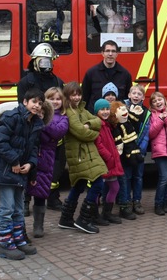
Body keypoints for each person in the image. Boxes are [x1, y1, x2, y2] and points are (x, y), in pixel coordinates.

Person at [0, 88, 44, 260]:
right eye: (34, 102)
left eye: (40, 103)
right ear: (25, 102)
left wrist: (30, 166)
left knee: (17, 208)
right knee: (6, 208)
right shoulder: (12, 117)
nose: (37, 106)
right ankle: (5, 244)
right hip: (5, 170)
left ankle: (18, 240)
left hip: (19, 172)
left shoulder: (35, 123)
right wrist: (15, 162)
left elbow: (33, 148)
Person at [17, 43, 66, 213]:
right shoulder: (25, 82)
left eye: (49, 61)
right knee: (30, 165)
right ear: (35, 61)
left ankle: (53, 198)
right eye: (43, 61)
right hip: (32, 130)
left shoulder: (58, 81)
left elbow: (62, 105)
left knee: (53, 167)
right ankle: (25, 201)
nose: (46, 64)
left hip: (52, 131)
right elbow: (22, 106)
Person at [59, 81, 108, 234]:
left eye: (78, 94)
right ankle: (84, 219)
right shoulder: (69, 112)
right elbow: (81, 132)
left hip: (85, 153)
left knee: (79, 185)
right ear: (67, 96)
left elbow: (98, 120)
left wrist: (88, 124)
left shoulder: (81, 110)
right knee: (98, 182)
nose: (77, 97)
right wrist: (93, 132)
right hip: (80, 154)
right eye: (73, 95)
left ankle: (66, 219)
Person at [26, 87, 69, 238]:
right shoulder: (33, 113)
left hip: (46, 158)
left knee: (40, 192)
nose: (55, 101)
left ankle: (38, 225)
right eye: (51, 98)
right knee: (23, 190)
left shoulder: (63, 118)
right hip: (29, 156)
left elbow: (57, 132)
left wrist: (44, 119)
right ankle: (21, 220)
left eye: (58, 99)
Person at [119, 84, 151, 216]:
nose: (136, 96)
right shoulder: (123, 109)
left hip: (139, 150)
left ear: (143, 97)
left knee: (138, 177)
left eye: (139, 94)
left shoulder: (146, 112)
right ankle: (125, 202)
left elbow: (146, 133)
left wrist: (141, 149)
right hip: (127, 150)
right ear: (129, 95)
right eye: (134, 93)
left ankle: (136, 201)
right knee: (126, 177)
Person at [93, 99, 125, 225]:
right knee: (98, 188)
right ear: (97, 111)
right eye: (102, 109)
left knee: (114, 186)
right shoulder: (98, 124)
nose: (105, 112)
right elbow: (98, 144)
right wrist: (109, 157)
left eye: (107, 109)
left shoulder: (106, 124)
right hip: (103, 162)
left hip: (109, 162)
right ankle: (95, 214)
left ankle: (107, 213)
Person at [82, 40, 133, 108]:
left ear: (117, 54)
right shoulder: (91, 73)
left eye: (113, 51)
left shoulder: (125, 74)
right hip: (95, 116)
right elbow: (84, 97)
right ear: (102, 53)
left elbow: (128, 98)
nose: (110, 54)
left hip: (117, 116)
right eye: (107, 51)